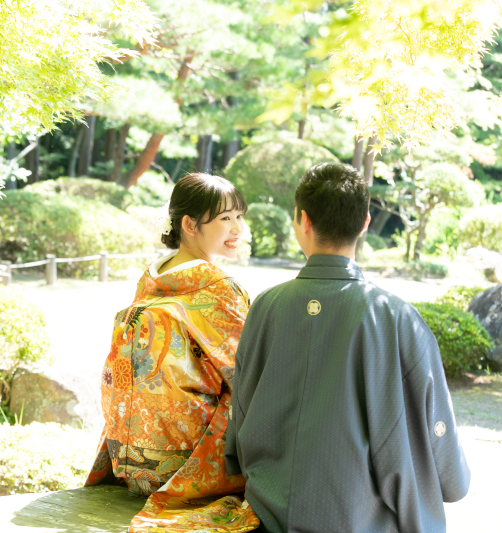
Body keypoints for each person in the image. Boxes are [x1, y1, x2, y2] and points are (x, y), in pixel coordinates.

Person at [224, 162, 471, 533]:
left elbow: (240, 414)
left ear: (303, 221)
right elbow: (436, 431)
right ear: (366, 223)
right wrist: (454, 480)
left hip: (267, 514)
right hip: (359, 519)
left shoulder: (266, 306)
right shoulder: (397, 317)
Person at [85, 173, 261, 533]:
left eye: (239, 217)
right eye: (226, 218)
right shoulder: (219, 288)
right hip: (184, 467)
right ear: (189, 224)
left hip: (129, 460)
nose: (238, 229)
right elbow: (251, 373)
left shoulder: (150, 278)